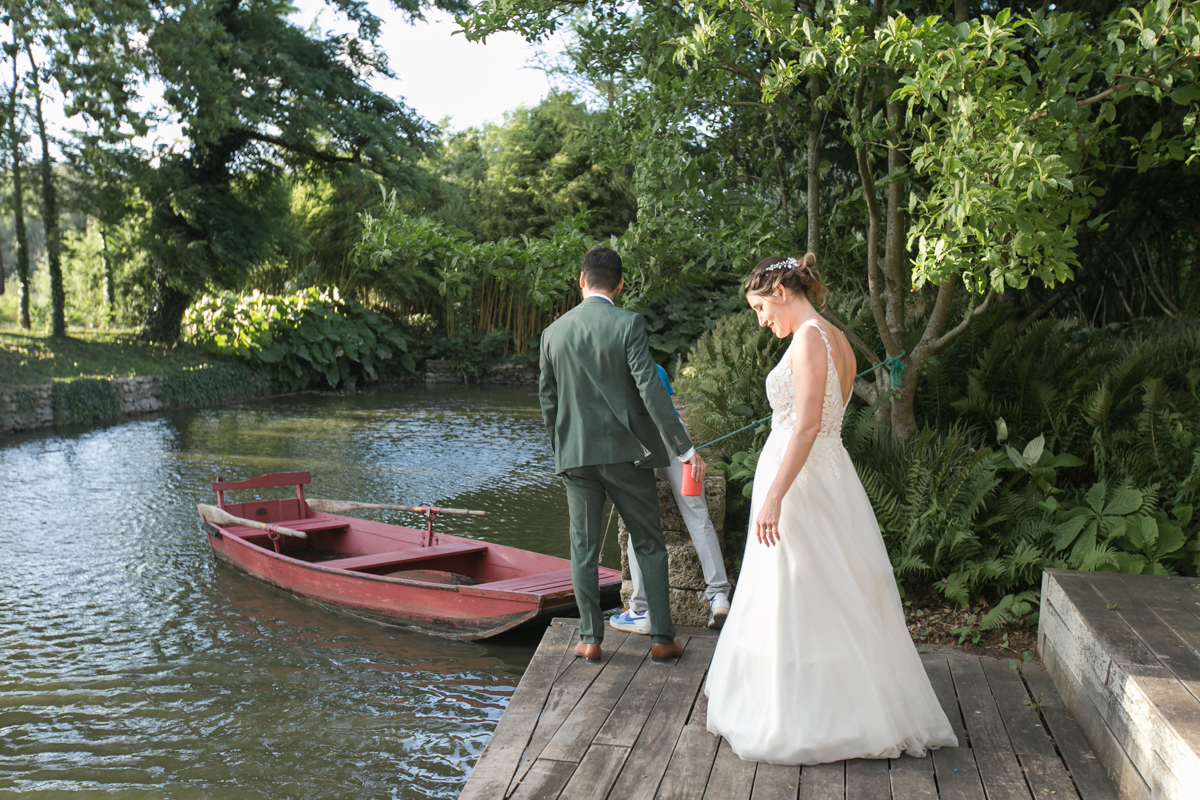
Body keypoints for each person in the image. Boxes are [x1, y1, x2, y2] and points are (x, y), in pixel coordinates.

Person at [704, 253, 957, 764]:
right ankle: (831, 702)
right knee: (820, 589)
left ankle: (812, 715)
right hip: (822, 475)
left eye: (760, 308)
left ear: (781, 292)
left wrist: (774, 494)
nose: (761, 320)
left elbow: (809, 425)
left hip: (801, 484)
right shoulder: (835, 338)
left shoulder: (810, 338)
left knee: (799, 590)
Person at [539, 245, 707, 665]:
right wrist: (684, 449)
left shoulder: (552, 333)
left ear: (581, 280)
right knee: (649, 543)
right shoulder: (628, 323)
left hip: (576, 456)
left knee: (583, 548)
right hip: (628, 454)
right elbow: (651, 389)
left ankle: (590, 638)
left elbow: (548, 402)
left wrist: (561, 451)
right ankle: (662, 638)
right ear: (620, 284)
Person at [610, 363, 732, 633]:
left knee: (637, 523)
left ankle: (640, 608)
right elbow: (666, 408)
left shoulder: (615, 370)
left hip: (642, 442)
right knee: (698, 517)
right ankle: (719, 596)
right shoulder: (655, 368)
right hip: (677, 438)